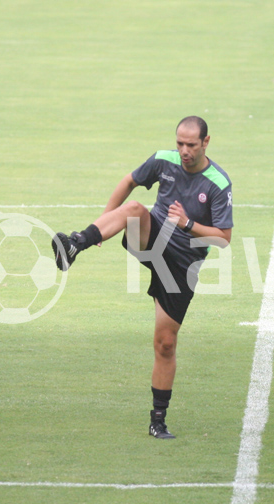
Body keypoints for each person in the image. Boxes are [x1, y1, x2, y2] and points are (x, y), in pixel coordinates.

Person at [51, 116, 233, 439]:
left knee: (165, 344)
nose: (184, 151)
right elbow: (127, 182)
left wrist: (188, 224)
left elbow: (223, 238)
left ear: (206, 142)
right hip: (151, 240)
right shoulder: (164, 160)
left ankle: (157, 421)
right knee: (134, 208)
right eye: (180, 143)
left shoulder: (218, 183)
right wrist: (102, 225)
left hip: (181, 265)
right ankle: (77, 243)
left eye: (191, 145)